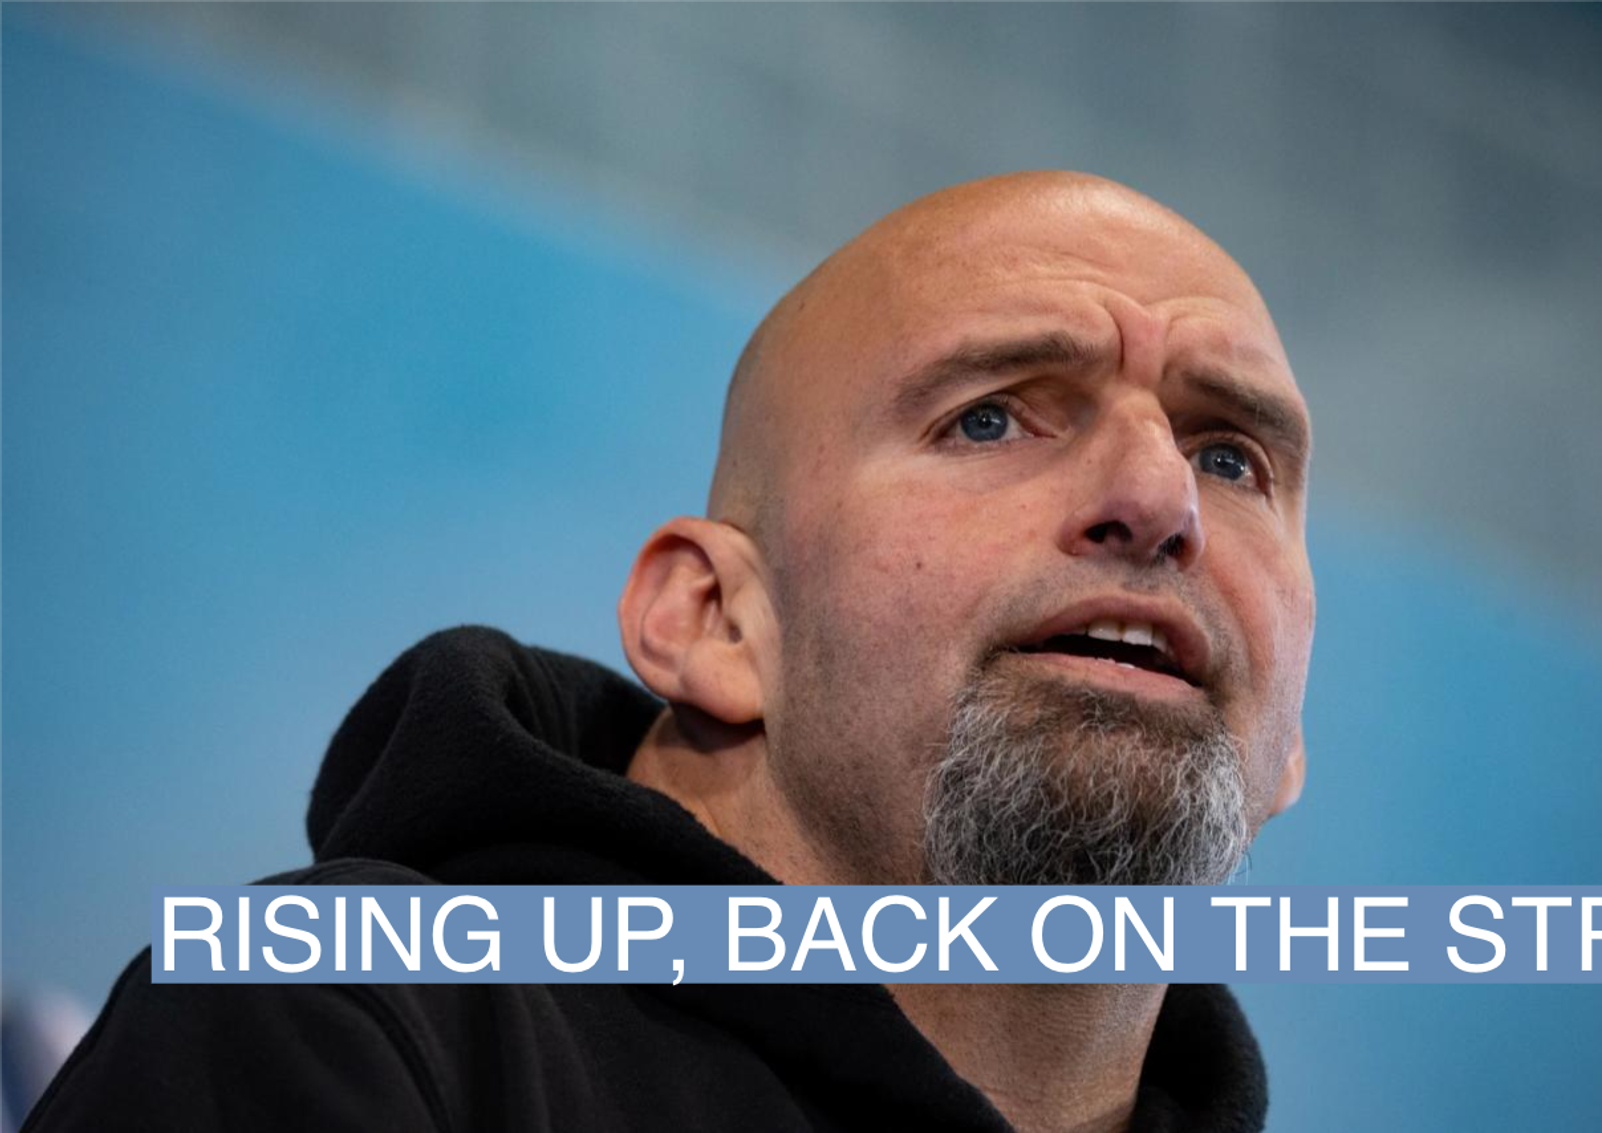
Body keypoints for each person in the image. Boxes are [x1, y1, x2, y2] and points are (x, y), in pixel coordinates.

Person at [24, 171, 1313, 1133]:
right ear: (712, 623)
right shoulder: (355, 1032)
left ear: (1290, 740)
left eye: (1229, 457)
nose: (1160, 497)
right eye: (989, 420)